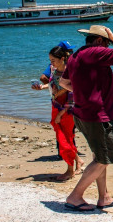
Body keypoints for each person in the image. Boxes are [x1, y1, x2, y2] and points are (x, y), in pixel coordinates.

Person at [59, 25, 113, 211]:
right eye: (107, 44)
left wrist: (84, 91)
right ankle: (75, 196)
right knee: (103, 159)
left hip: (83, 112)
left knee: (99, 156)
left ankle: (104, 197)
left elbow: (63, 82)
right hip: (99, 114)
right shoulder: (95, 52)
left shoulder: (76, 55)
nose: (108, 48)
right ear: (100, 41)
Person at [32, 45, 85, 181]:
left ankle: (70, 170)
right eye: (50, 60)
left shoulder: (70, 73)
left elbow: (73, 95)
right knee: (62, 136)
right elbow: (54, 87)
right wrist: (41, 87)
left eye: (54, 60)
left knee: (66, 137)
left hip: (66, 110)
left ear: (62, 58)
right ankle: (77, 162)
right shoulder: (55, 71)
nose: (51, 63)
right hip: (56, 106)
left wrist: (61, 113)